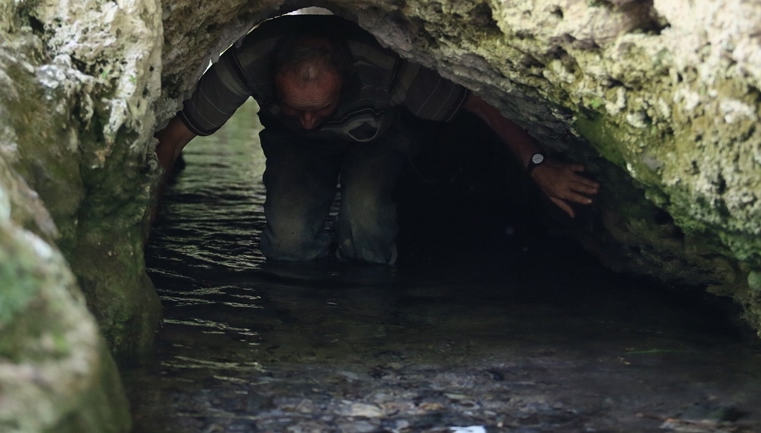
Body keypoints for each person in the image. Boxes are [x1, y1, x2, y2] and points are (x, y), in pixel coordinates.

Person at [155, 14, 599, 266]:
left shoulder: (387, 65)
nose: (309, 120)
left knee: (365, 212)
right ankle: (293, 320)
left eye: (320, 108)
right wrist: (138, 224)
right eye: (296, 107)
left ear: (347, 80)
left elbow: (480, 103)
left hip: (378, 138)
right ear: (272, 79)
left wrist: (538, 165)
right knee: (289, 239)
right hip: (295, 151)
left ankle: (367, 317)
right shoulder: (249, 61)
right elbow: (171, 142)